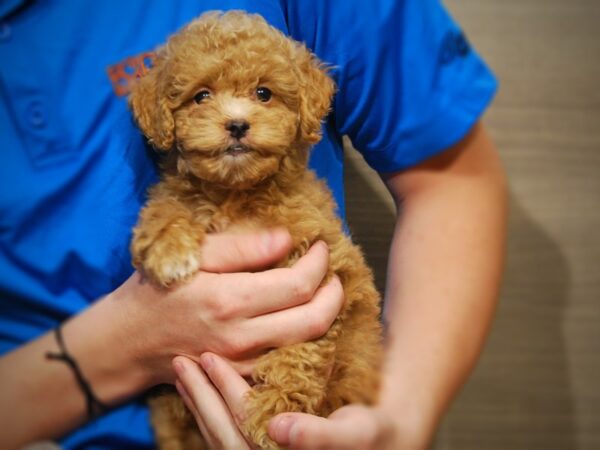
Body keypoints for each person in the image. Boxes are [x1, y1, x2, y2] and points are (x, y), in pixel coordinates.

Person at [0, 0, 507, 449]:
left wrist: (400, 412)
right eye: (201, 97)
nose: (237, 114)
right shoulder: (170, 203)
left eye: (264, 94)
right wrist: (127, 343)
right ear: (164, 116)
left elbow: (448, 180)